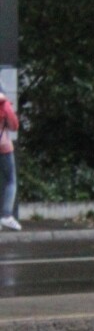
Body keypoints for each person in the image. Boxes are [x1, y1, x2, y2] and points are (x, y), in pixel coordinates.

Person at [0, 85, 18, 231]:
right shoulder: (4, 104)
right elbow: (14, 125)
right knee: (10, 181)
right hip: (4, 147)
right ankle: (6, 216)